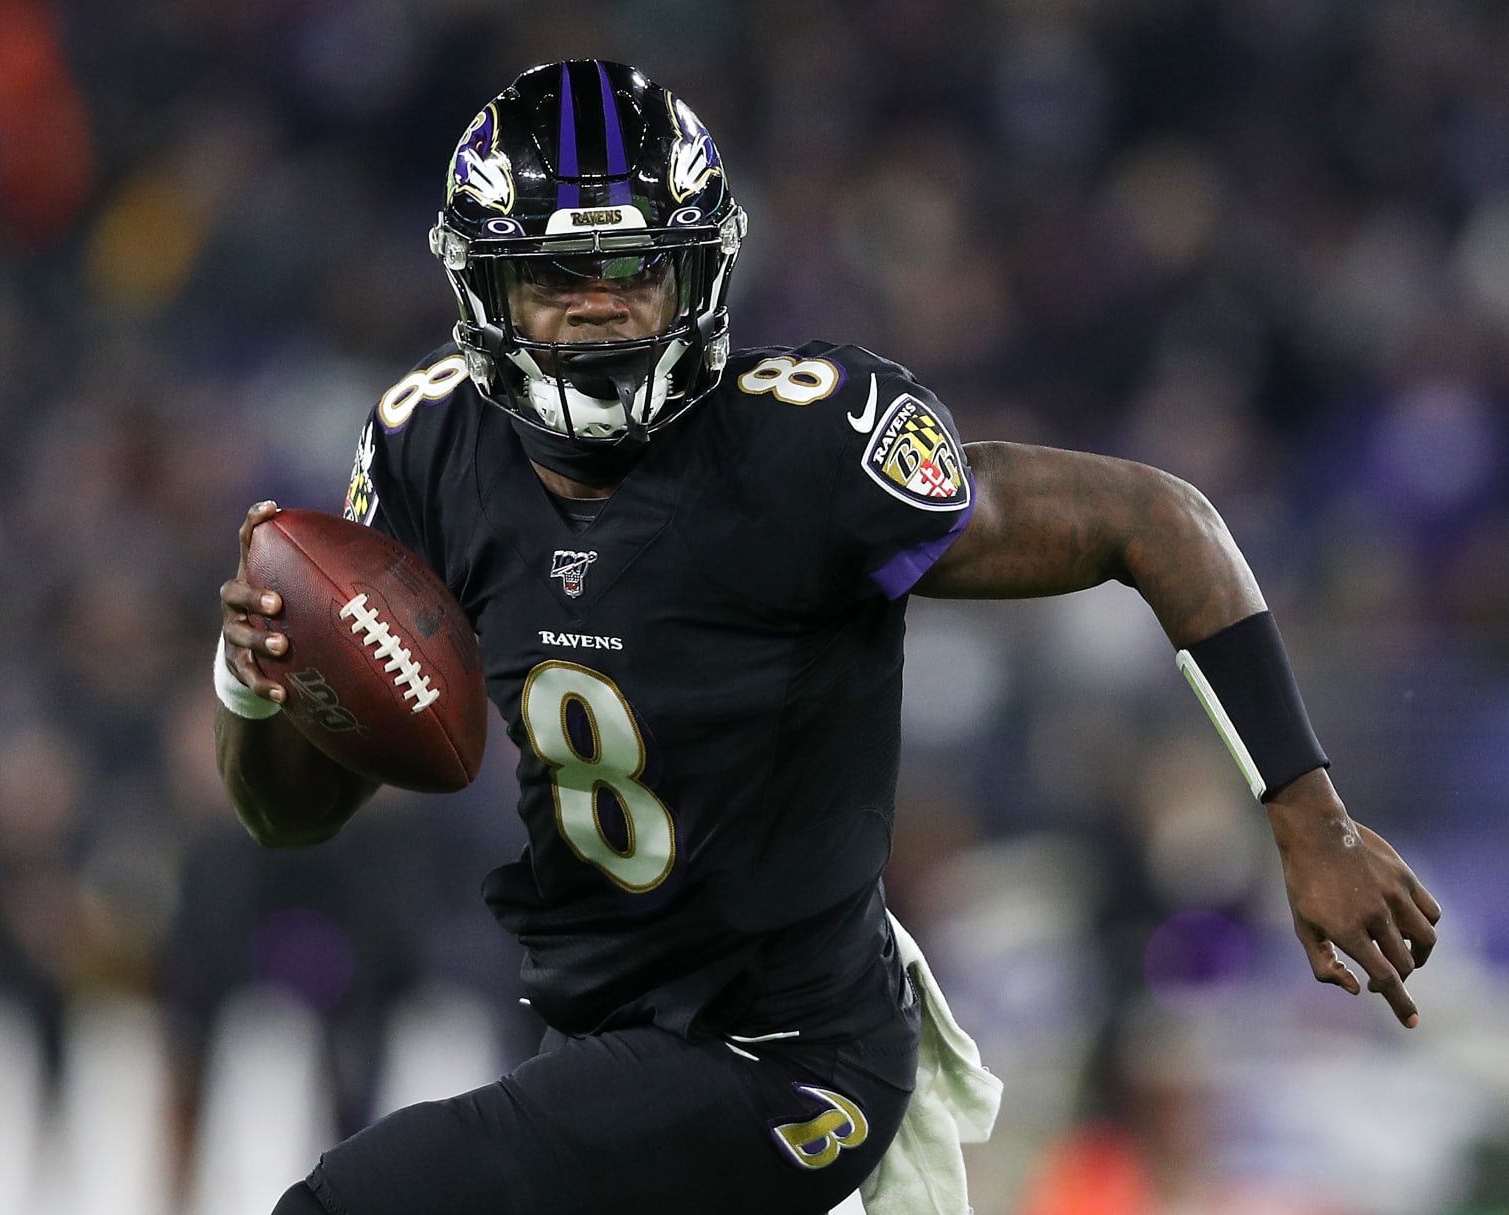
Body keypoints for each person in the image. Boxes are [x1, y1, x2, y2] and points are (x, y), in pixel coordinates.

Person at [213, 60, 1441, 1215]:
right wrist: (258, 678)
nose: (597, 312)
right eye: (555, 277)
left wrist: (1309, 815)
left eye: (635, 270)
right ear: (484, 289)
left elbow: (1156, 520)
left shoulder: (809, 444)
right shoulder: (432, 445)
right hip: (604, 1031)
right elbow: (292, 812)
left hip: (787, 1053)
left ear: (699, 275)